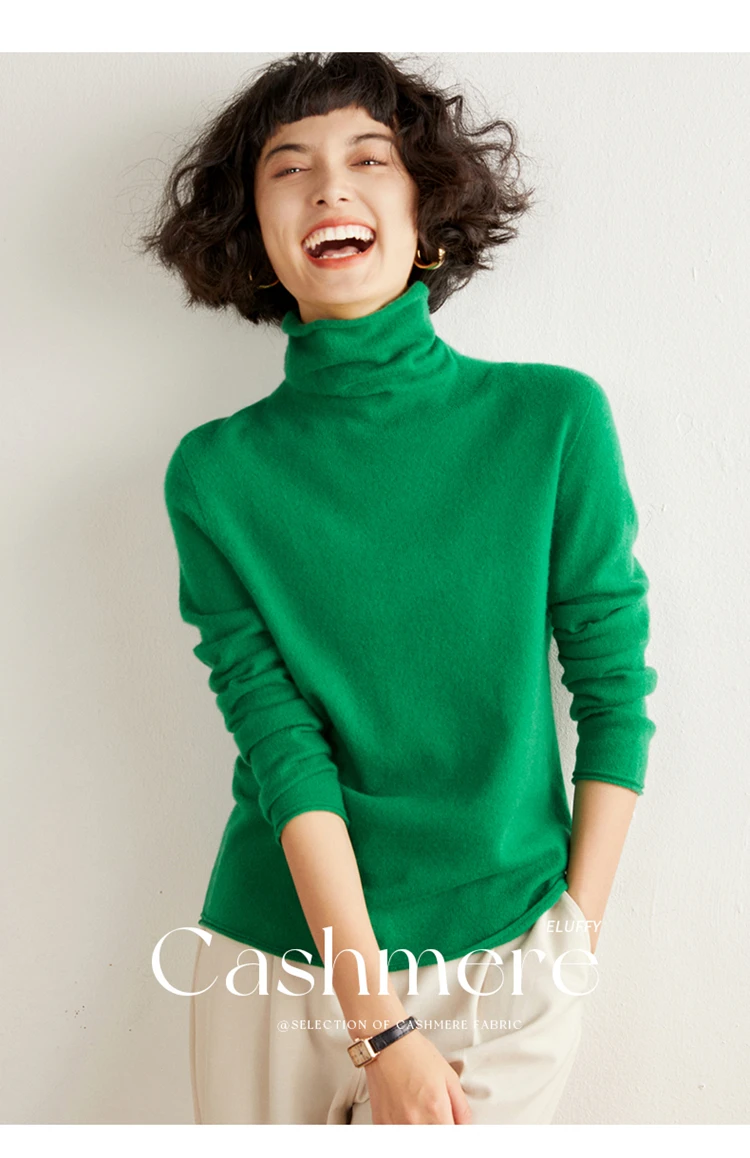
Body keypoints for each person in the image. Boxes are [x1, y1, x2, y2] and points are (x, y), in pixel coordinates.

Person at [141, 51, 657, 1126]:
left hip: (506, 956)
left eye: (369, 160)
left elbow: (613, 689)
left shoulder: (552, 421)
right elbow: (282, 749)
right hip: (278, 963)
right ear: (254, 234)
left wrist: (574, 937)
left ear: (428, 213)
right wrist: (376, 1022)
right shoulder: (216, 474)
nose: (330, 187)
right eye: (290, 168)